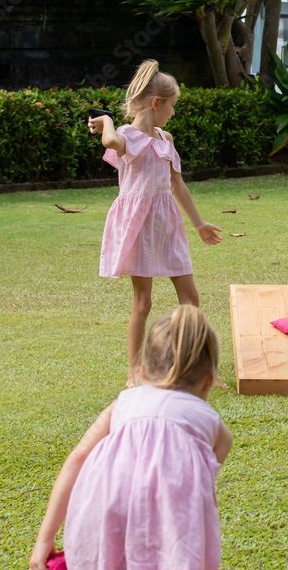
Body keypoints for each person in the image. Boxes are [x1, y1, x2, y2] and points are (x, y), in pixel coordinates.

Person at [29, 305, 233, 570]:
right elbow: (200, 483)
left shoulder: (124, 403)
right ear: (208, 381)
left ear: (143, 372)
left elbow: (79, 456)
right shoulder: (211, 422)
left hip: (105, 512)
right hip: (171, 530)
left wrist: (44, 537)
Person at [88, 60, 222, 380]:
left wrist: (199, 223)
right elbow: (110, 143)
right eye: (172, 106)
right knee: (142, 302)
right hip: (139, 226)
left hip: (167, 224)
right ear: (156, 103)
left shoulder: (166, 139)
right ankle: (135, 373)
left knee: (191, 297)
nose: (173, 113)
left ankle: (191, 365)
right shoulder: (127, 136)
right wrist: (106, 120)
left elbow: (177, 183)